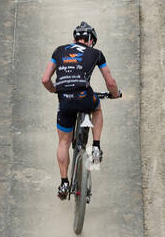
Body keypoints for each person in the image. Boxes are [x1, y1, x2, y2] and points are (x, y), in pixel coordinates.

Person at [40, 21, 121, 200]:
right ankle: (97, 147)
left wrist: (55, 90)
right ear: (91, 40)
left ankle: (64, 183)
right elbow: (110, 82)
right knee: (97, 108)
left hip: (65, 100)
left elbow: (45, 79)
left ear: (74, 39)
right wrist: (115, 94)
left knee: (63, 143)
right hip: (84, 96)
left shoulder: (59, 51)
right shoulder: (96, 54)